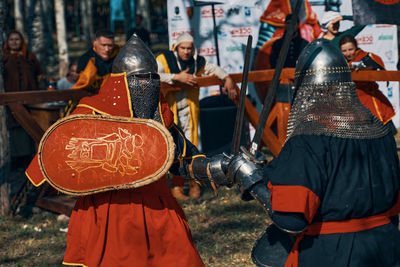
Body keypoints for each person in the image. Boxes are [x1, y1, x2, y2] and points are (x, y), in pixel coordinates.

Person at [26, 35, 214, 267]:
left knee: (177, 258)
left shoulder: (158, 117)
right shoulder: (92, 113)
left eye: (152, 79)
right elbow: (61, 150)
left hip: (156, 202)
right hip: (107, 205)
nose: (148, 86)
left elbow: (182, 157)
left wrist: (213, 168)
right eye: (141, 79)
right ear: (122, 82)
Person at [214, 39, 400, 266]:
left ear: (306, 89)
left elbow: (291, 218)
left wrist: (249, 178)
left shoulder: (308, 140)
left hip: (332, 253)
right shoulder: (380, 130)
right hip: (387, 248)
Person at [156, 32, 236, 200]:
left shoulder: (197, 62)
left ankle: (194, 185)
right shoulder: (164, 59)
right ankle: (176, 186)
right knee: (173, 148)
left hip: (189, 111)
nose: (186, 51)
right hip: (168, 111)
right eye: (182, 48)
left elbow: (214, 69)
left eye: (189, 48)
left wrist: (227, 78)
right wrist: (176, 77)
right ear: (176, 47)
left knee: (191, 147)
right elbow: (154, 74)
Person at [3, 30, 44, 167]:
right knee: (14, 126)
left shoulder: (29, 57)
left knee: (29, 125)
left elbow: (39, 74)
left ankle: (29, 157)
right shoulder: (4, 58)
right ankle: (16, 158)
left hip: (29, 99)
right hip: (10, 98)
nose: (14, 42)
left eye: (17, 39)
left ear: (22, 41)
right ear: (7, 43)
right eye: (11, 40)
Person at [339, 34, 396, 131]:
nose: (348, 53)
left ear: (356, 47)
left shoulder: (366, 57)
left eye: (350, 49)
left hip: (371, 102)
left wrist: (363, 66)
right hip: (352, 106)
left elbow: (376, 66)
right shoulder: (338, 62)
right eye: (344, 51)